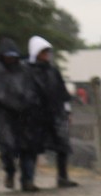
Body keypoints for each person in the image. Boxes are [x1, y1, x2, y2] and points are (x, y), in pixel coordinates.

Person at [0, 39, 43, 191]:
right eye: (8, 56)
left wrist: (28, 104)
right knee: (7, 147)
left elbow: (32, 89)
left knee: (28, 148)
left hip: (25, 114)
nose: (11, 59)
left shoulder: (24, 69)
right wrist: (13, 104)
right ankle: (10, 171)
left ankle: (28, 180)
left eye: (13, 56)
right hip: (2, 115)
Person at [28, 36, 78, 188]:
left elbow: (62, 93)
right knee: (33, 148)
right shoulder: (28, 71)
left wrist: (67, 112)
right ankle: (28, 180)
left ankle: (62, 177)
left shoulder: (53, 71)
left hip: (55, 114)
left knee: (62, 146)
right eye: (43, 52)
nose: (46, 55)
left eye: (47, 52)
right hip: (36, 115)